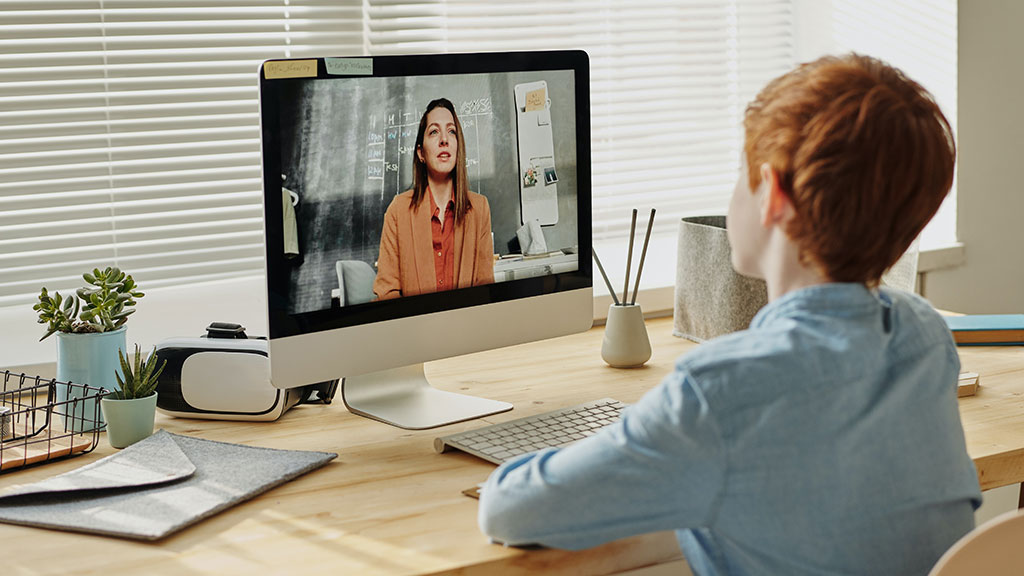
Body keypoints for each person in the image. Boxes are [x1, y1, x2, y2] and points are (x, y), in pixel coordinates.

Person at [477, 54, 981, 575]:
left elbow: (509, 510)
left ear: (774, 197)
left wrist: (635, 441)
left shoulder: (721, 391)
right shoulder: (922, 336)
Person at [373, 98, 494, 300]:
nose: (444, 140)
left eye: (451, 131)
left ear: (458, 147)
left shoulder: (479, 208)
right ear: (421, 152)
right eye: (434, 132)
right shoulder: (398, 210)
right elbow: (388, 293)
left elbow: (485, 290)